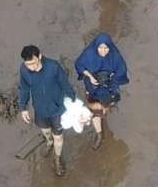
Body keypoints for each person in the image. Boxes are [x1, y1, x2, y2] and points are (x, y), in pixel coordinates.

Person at [19, 45, 76, 177]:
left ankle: (57, 158)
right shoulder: (24, 70)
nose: (31, 67)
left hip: (57, 109)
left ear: (39, 56)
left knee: (59, 136)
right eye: (28, 64)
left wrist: (72, 101)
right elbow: (24, 88)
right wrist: (23, 108)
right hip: (39, 109)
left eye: (33, 63)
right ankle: (49, 142)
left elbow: (65, 84)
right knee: (45, 130)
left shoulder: (53, 67)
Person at [74, 33, 129, 150]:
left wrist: (111, 79)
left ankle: (104, 109)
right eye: (100, 48)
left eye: (106, 48)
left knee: (107, 103)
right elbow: (79, 65)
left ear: (110, 47)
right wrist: (90, 76)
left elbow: (121, 70)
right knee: (95, 111)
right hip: (93, 86)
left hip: (108, 87)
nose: (103, 51)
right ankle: (99, 133)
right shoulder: (89, 54)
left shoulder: (115, 56)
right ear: (96, 47)